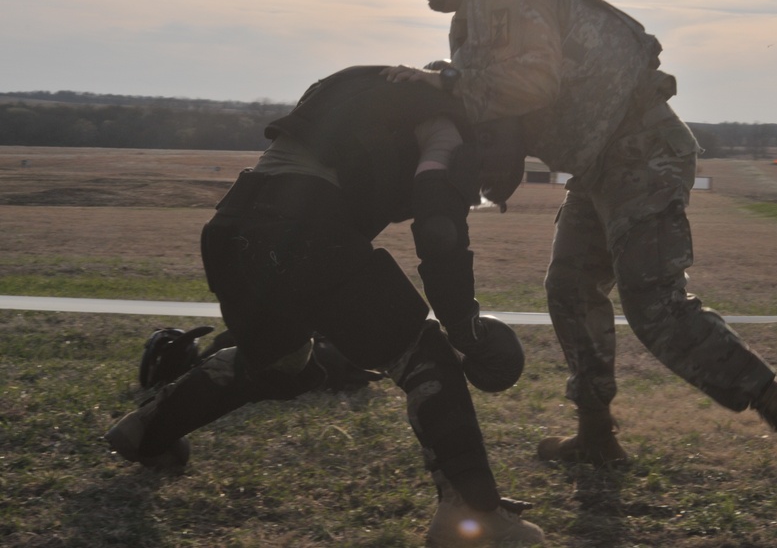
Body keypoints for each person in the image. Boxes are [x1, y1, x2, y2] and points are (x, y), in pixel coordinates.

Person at [384, 0, 777, 504]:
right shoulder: (474, 14)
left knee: (656, 308)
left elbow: (532, 79)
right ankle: (596, 435)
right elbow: (496, 99)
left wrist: (444, 83)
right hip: (603, 164)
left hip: (640, 149)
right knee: (570, 288)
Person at [104, 65, 545, 547]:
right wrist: (463, 326)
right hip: (303, 229)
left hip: (232, 229)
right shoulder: (445, 120)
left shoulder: (358, 82)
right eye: (485, 182)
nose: (478, 189)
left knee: (280, 364)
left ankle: (147, 430)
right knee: (421, 352)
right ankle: (473, 511)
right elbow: (438, 227)